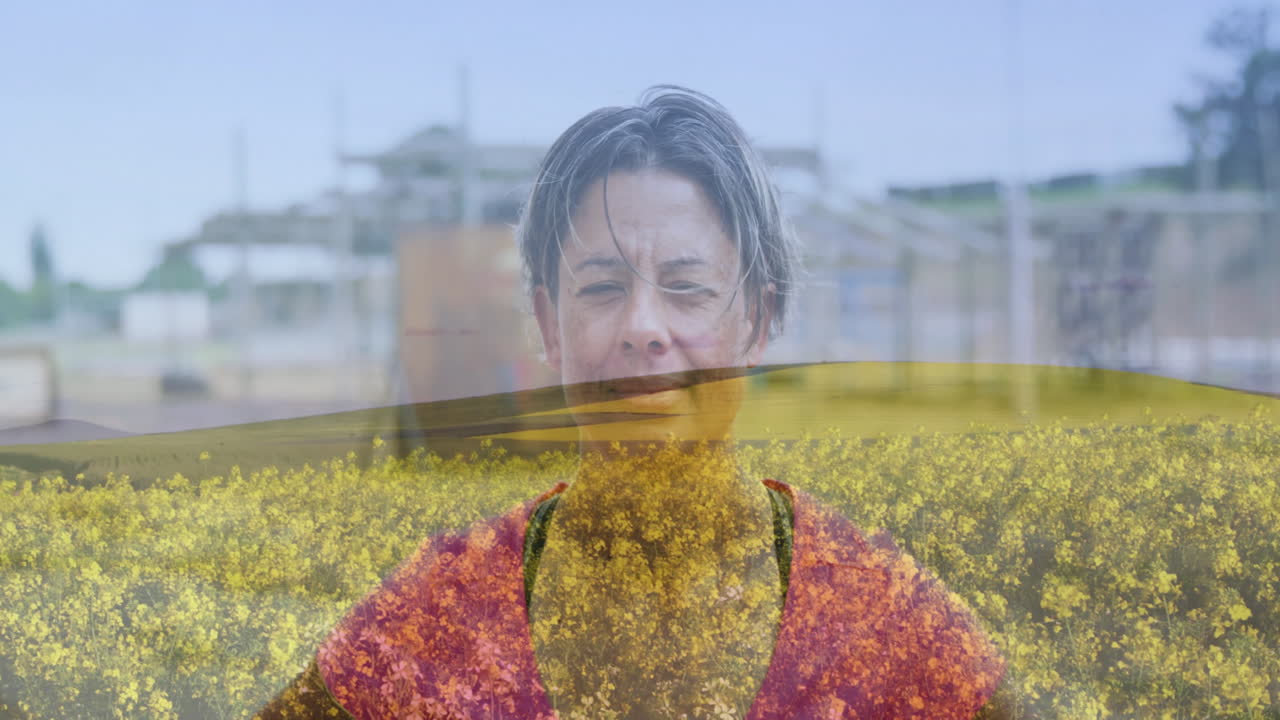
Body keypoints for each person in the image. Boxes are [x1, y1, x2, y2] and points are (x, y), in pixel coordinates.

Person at [256, 86, 1008, 719]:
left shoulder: (879, 617)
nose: (645, 329)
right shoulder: (439, 613)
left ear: (761, 319)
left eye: (686, 286)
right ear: (550, 324)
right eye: (604, 288)